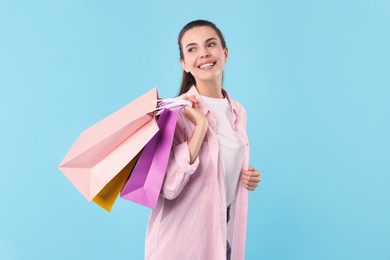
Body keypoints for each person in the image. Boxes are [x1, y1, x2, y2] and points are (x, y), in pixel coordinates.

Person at [145, 20, 261, 260]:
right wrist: (200, 128)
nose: (204, 53)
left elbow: (220, 166)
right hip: (182, 243)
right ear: (184, 64)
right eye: (192, 49)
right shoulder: (173, 113)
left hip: (222, 235)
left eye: (210, 44)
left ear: (225, 53)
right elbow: (167, 187)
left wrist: (243, 178)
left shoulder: (238, 110)